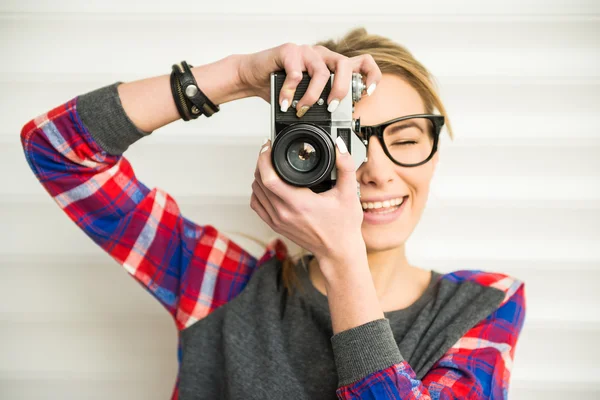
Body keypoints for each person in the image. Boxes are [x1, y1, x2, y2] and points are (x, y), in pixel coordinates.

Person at [20, 28, 526, 399]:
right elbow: (57, 150)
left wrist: (342, 258)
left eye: (407, 139)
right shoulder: (221, 283)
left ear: (436, 151)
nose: (374, 171)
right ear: (302, 153)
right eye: (346, 143)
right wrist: (236, 77)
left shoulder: (481, 305)